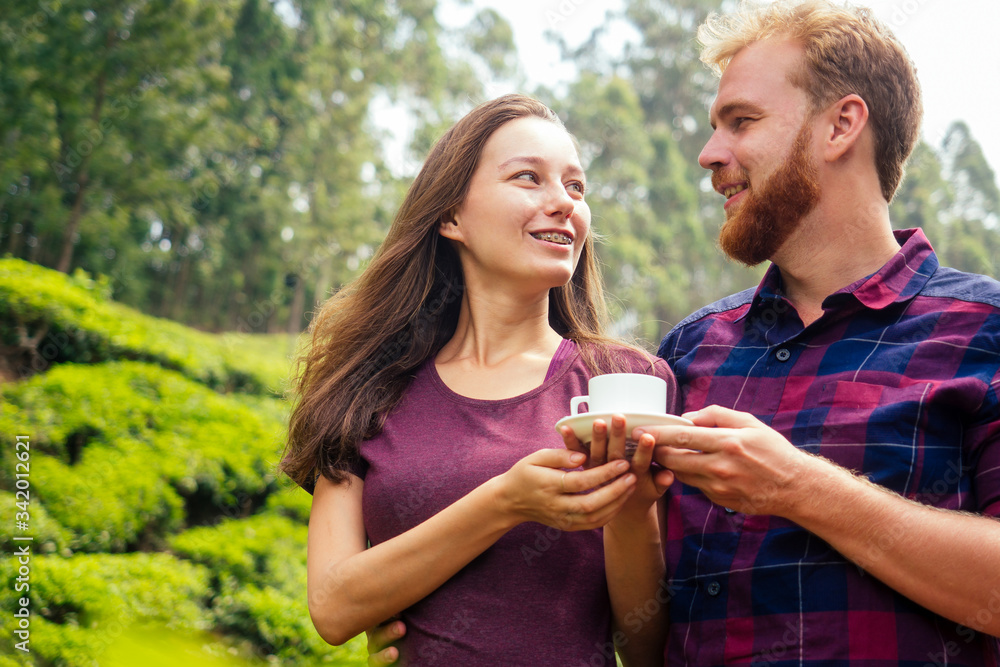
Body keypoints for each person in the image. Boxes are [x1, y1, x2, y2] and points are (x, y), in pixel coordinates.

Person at [638, 0, 1000, 664]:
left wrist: (797, 486)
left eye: (741, 121)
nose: (708, 154)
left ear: (841, 125)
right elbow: (639, 632)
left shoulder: (987, 331)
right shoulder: (688, 352)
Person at [281, 93, 678, 666]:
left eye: (575, 187)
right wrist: (506, 502)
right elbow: (334, 608)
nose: (563, 203)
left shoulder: (627, 383)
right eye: (528, 178)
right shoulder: (366, 390)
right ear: (450, 216)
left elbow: (644, 648)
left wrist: (634, 512)